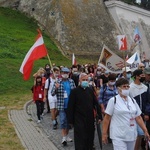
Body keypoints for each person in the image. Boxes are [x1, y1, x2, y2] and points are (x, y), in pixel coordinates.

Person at [102, 78, 150, 150]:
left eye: (128, 86)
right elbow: (107, 118)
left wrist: (145, 130)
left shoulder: (132, 100)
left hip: (131, 134)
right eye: (124, 86)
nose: (126, 88)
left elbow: (138, 117)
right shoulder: (113, 101)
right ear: (118, 88)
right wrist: (104, 133)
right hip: (118, 135)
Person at [67, 73, 102, 150]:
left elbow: (95, 103)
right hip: (79, 118)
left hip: (89, 118)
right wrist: (70, 121)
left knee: (89, 138)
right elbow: (70, 106)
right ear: (80, 80)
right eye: (84, 80)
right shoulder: (74, 92)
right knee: (80, 139)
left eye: (86, 80)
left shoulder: (90, 90)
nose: (85, 81)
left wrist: (99, 115)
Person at [51, 67, 76, 146]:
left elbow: (75, 92)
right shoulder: (58, 81)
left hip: (70, 106)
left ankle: (67, 135)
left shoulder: (71, 81)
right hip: (62, 106)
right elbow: (52, 93)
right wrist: (56, 88)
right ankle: (64, 137)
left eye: (67, 73)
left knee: (68, 122)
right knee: (62, 121)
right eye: (64, 73)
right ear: (61, 73)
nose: (65, 74)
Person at [129, 69, 150, 150]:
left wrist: (147, 113)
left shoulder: (145, 87)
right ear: (137, 77)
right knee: (136, 134)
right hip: (134, 115)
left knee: (142, 134)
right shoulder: (130, 88)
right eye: (142, 75)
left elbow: (148, 101)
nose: (144, 77)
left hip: (144, 115)